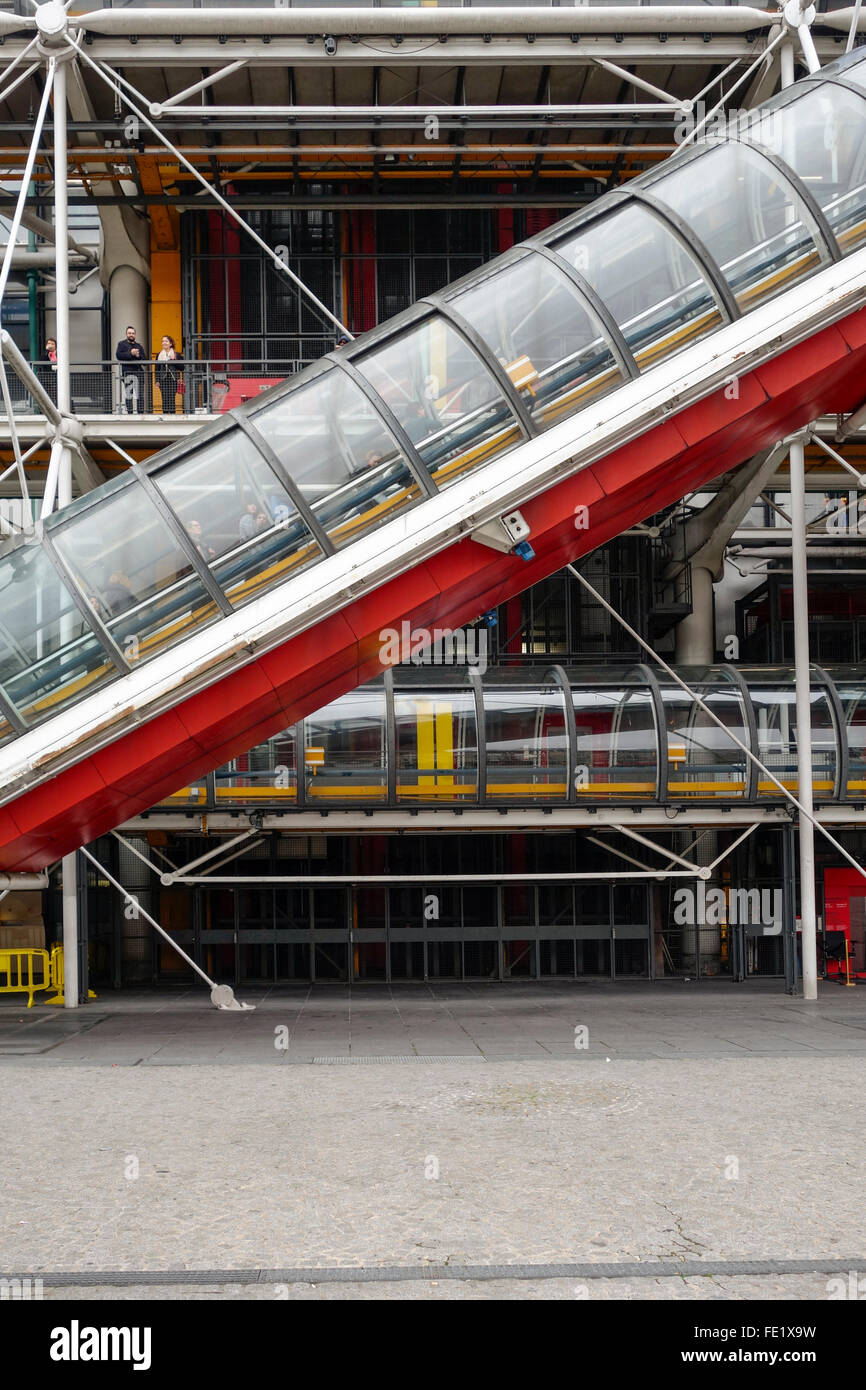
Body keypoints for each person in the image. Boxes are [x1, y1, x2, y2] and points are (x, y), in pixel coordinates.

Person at [116, 325, 146, 414]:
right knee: (129, 395)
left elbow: (145, 360)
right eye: (129, 333)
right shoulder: (121, 344)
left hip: (139, 373)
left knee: (140, 395)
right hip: (128, 373)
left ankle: (140, 413)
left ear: (135, 335)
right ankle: (130, 414)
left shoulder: (139, 346)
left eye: (133, 333)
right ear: (126, 334)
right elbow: (119, 356)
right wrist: (131, 353)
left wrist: (138, 356)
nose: (131, 335)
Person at [154, 334, 184, 414]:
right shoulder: (159, 355)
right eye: (163, 341)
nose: (164, 343)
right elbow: (157, 369)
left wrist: (173, 360)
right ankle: (165, 415)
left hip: (173, 379)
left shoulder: (176, 355)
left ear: (170, 344)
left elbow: (182, 367)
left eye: (166, 341)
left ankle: (172, 415)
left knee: (171, 398)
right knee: (164, 398)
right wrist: (156, 380)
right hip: (163, 379)